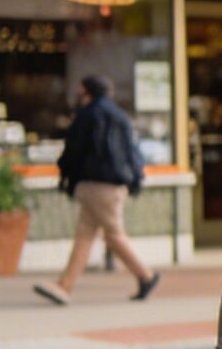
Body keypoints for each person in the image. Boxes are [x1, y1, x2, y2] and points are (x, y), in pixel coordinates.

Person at [36, 74, 158, 304]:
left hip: (97, 186)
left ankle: (145, 275)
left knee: (113, 234)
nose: (78, 96)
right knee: (85, 234)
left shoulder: (88, 114)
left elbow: (74, 150)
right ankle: (65, 285)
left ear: (88, 92)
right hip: (113, 185)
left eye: (80, 91)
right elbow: (133, 152)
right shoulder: (120, 116)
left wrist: (66, 176)